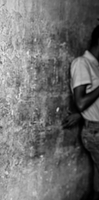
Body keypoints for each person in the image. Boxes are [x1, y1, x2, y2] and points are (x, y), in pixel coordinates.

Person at [64, 24, 99, 200]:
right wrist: (83, 113)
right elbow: (80, 101)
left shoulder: (95, 65)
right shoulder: (82, 63)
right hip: (95, 130)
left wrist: (81, 115)